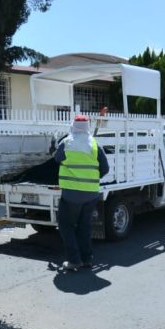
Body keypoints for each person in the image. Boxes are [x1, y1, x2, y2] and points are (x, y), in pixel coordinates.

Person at [54, 114, 109, 272]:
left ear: (73, 126)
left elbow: (56, 159)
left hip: (71, 194)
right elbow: (105, 168)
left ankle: (74, 260)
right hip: (91, 194)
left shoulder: (66, 143)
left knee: (66, 225)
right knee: (84, 226)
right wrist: (90, 177)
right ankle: (87, 259)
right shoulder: (94, 144)